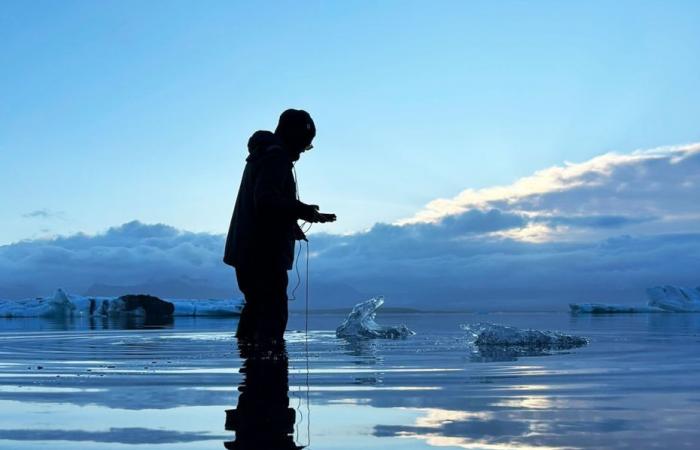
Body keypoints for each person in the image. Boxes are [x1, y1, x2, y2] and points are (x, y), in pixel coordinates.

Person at [223, 109, 336, 343]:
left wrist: (292, 224)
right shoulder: (275, 158)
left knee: (256, 309)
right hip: (262, 254)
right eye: (305, 144)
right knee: (272, 313)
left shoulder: (263, 155)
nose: (302, 152)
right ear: (293, 135)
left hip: (248, 251)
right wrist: (303, 210)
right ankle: (268, 369)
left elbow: (265, 204)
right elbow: (265, 200)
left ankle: (250, 366)